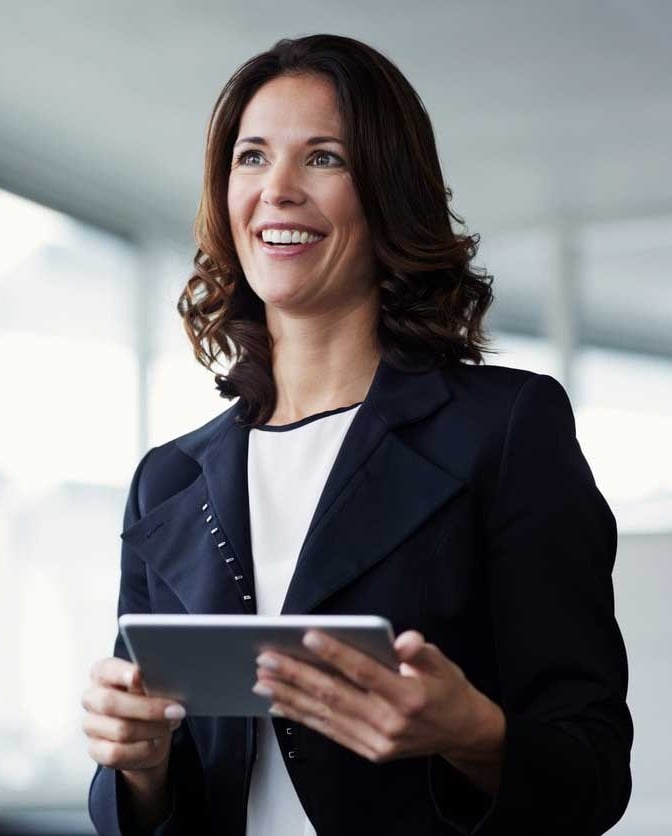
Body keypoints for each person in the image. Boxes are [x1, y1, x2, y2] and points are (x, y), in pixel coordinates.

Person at [82, 34, 633, 836]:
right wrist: (136, 763)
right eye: (252, 157)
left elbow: (591, 773)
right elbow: (146, 801)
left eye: (325, 159)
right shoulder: (167, 481)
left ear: (387, 193)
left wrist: (470, 733)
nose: (278, 190)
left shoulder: (506, 429)